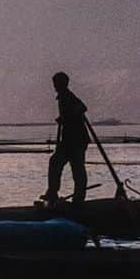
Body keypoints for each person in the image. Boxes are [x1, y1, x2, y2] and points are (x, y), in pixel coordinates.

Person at [41, 72, 90, 206]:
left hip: (76, 140)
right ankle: (53, 193)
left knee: (75, 168)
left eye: (56, 83)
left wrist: (67, 116)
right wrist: (64, 118)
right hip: (69, 140)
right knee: (57, 163)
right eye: (54, 83)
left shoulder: (68, 96)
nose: (55, 86)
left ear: (62, 83)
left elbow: (82, 107)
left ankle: (77, 199)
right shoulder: (63, 97)